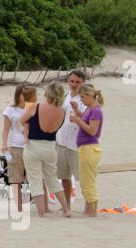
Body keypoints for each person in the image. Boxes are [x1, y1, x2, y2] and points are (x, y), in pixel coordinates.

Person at [21, 81, 69, 217]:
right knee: (52, 178)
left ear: (47, 94)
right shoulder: (61, 112)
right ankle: (66, 209)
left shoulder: (36, 107)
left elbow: (21, 120)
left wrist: (27, 125)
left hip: (33, 145)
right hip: (50, 146)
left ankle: (41, 212)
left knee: (35, 179)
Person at [71, 82, 105, 216]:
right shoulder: (89, 109)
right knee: (85, 180)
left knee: (88, 181)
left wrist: (77, 121)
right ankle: (88, 209)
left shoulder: (96, 110)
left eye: (83, 98)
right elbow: (86, 121)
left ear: (90, 96)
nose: (82, 101)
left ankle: (92, 210)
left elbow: (92, 131)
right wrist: (78, 113)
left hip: (90, 148)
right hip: (85, 148)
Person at [1, 84, 35, 214]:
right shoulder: (10, 110)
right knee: (15, 177)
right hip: (15, 146)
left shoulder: (32, 109)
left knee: (34, 176)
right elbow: (5, 129)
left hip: (31, 145)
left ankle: (36, 202)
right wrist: (4, 145)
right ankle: (18, 207)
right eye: (22, 94)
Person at [54, 69, 87, 207]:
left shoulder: (85, 99)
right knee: (64, 177)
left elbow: (89, 119)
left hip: (77, 143)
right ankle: (66, 205)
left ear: (82, 83)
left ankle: (89, 205)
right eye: (72, 81)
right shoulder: (65, 97)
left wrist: (78, 112)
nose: (74, 84)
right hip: (62, 141)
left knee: (83, 177)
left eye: (77, 82)